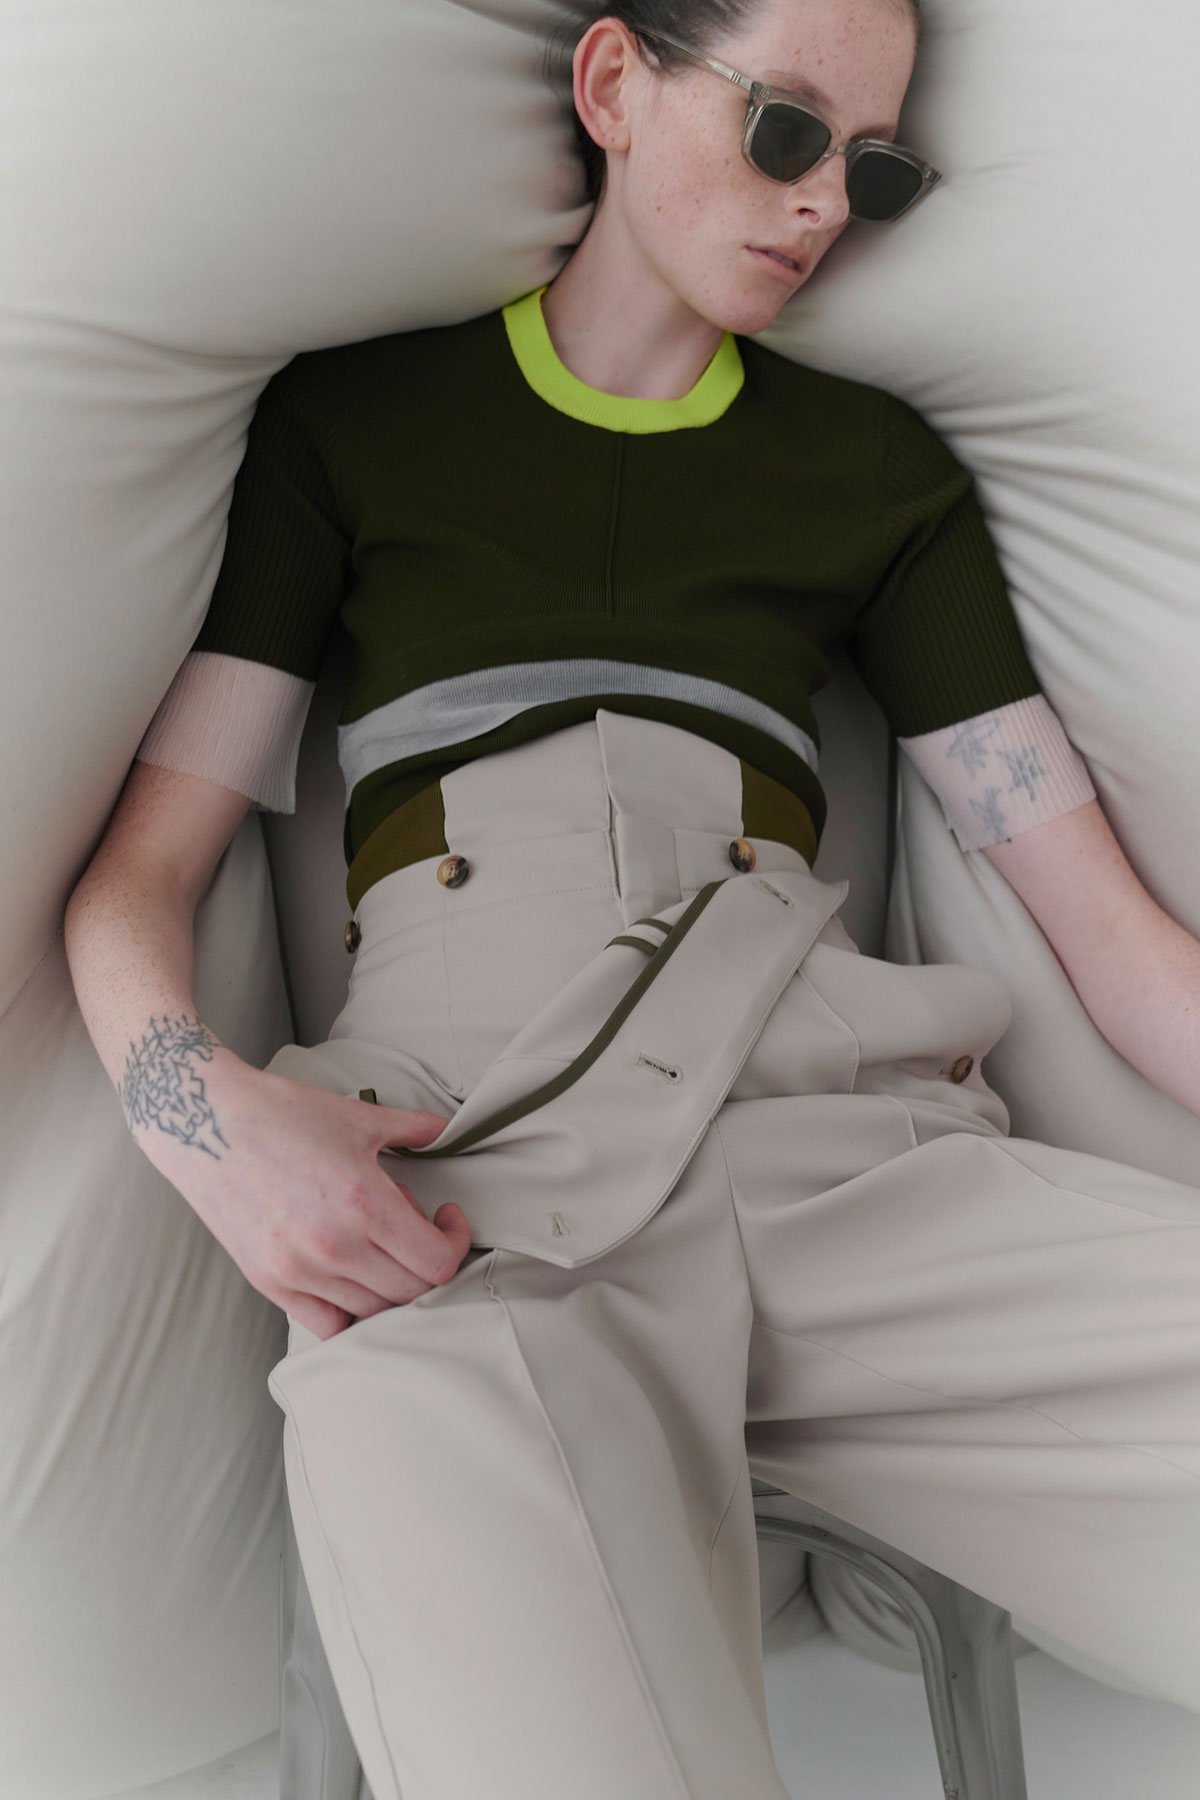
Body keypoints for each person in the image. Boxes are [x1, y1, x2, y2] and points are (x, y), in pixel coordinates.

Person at [63, 0, 1200, 1794]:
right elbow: (141, 872)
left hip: (852, 1148)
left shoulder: (877, 477)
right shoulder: (359, 425)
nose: (822, 203)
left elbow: (1116, 944)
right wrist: (207, 1125)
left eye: (874, 170)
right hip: (457, 1185)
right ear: (613, 82)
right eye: (784, 128)